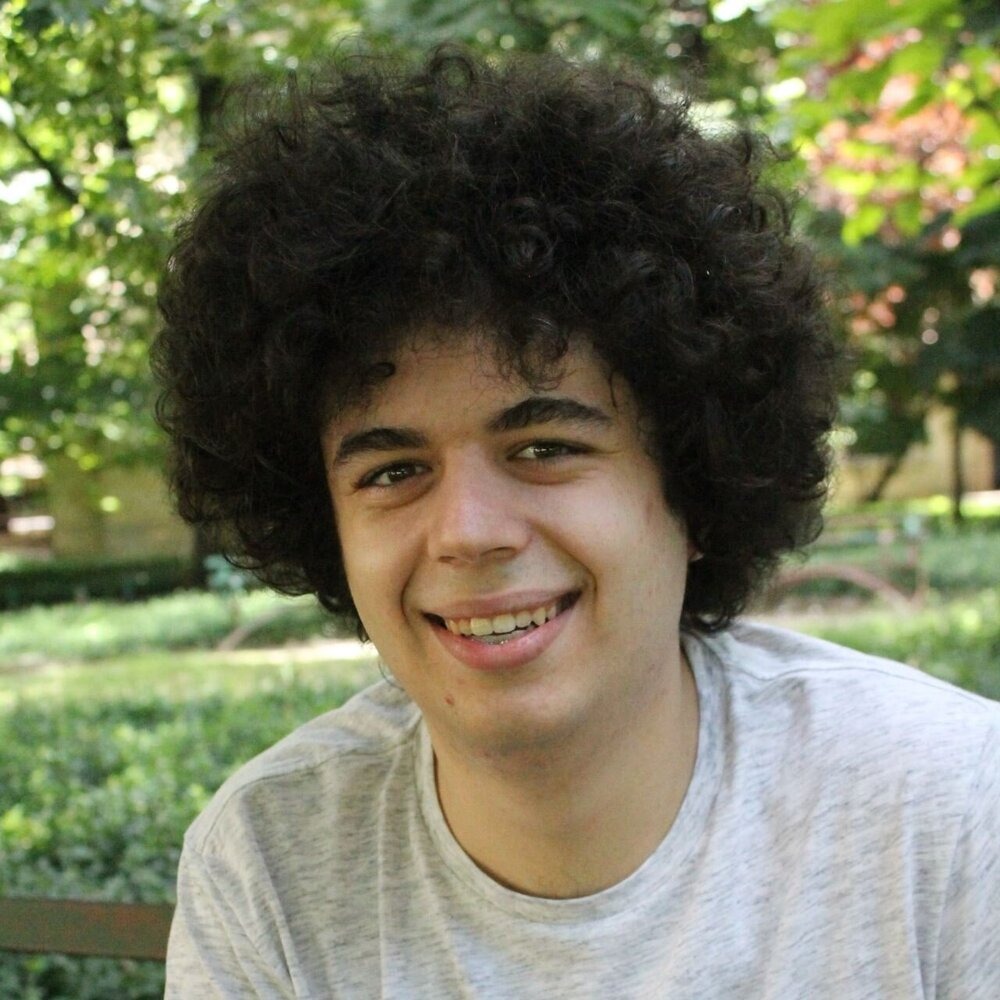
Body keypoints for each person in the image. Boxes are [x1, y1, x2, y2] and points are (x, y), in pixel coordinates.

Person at [155, 45, 998, 999]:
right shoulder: (270, 865)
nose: (468, 531)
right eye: (393, 471)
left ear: (693, 484)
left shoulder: (950, 807)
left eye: (544, 447)